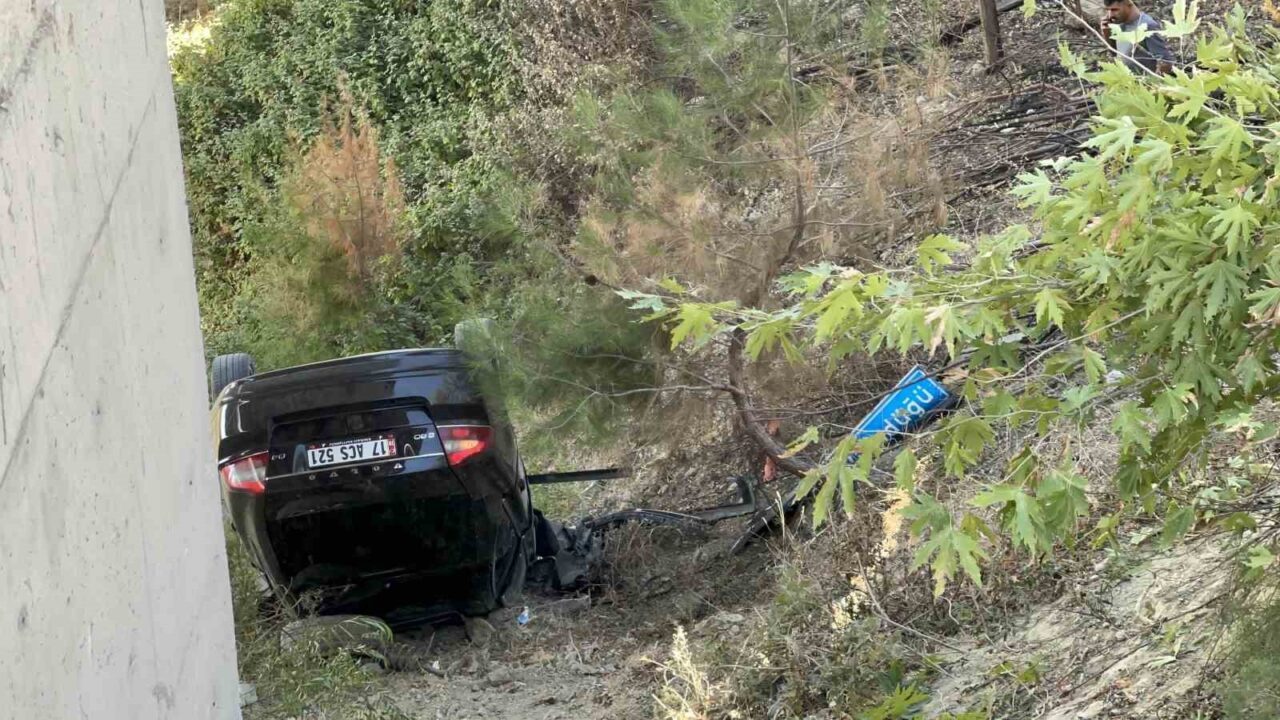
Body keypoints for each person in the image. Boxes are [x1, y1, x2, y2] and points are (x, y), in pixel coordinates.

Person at [1099, 0, 1175, 75]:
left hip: (1144, 84)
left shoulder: (1146, 25)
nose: (1110, 15)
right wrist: (1107, 33)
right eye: (1108, 10)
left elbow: (1165, 62)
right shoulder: (1118, 24)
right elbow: (1116, 54)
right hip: (1128, 82)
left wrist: (1154, 83)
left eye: (1114, 10)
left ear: (1128, 3)